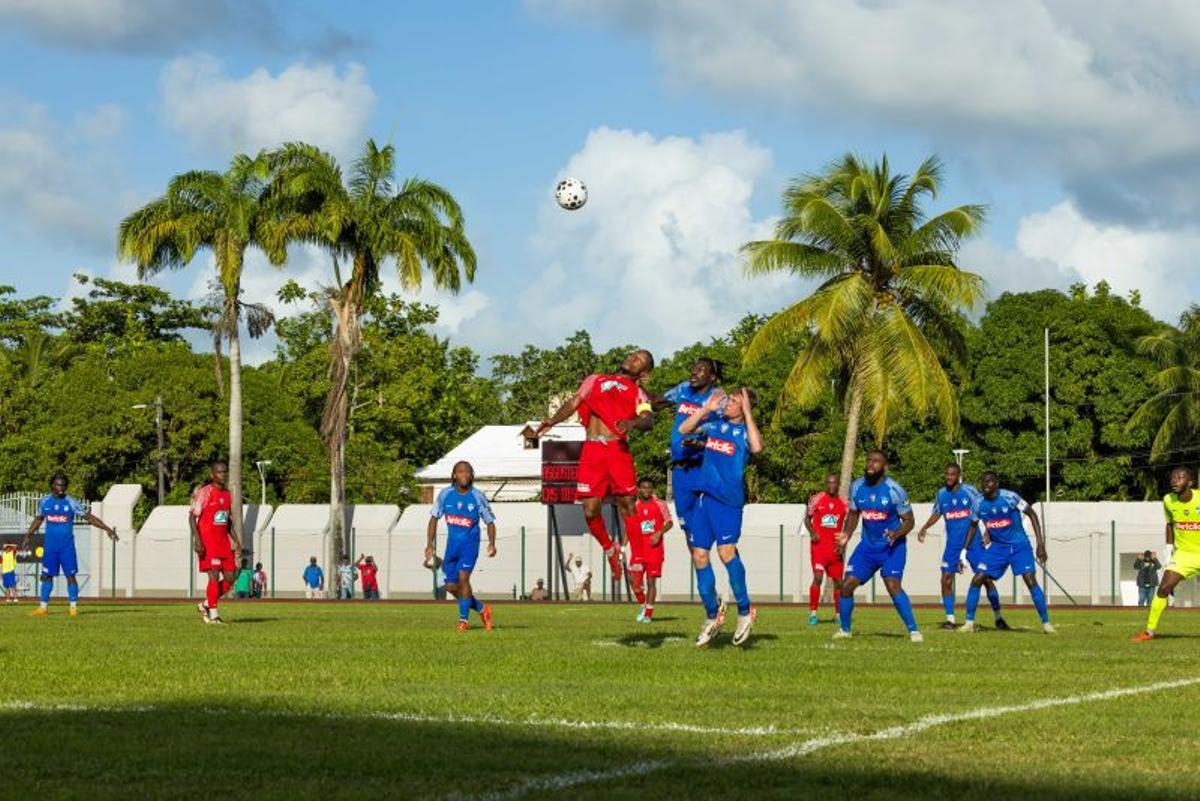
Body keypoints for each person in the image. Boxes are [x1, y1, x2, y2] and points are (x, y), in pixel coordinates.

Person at [527, 349, 656, 581]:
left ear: (643, 373)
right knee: (590, 510)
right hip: (592, 451)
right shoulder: (595, 379)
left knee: (628, 505)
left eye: (639, 360)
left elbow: (648, 419)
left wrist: (633, 421)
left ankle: (637, 562)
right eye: (632, 355)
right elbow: (574, 402)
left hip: (617, 450)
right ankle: (610, 549)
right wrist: (552, 421)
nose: (631, 358)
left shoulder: (639, 392)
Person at [679, 387, 762, 648]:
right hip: (704, 499)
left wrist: (748, 413)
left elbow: (757, 448)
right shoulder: (715, 424)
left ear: (744, 407)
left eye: (734, 402)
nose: (727, 404)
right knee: (699, 555)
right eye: (728, 400)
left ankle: (746, 611)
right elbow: (684, 430)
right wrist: (706, 408)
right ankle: (712, 616)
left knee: (727, 553)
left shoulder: (744, 432)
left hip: (728, 502)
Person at [834, 451, 922, 642]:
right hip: (868, 547)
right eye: (868, 460)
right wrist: (846, 535)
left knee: (892, 584)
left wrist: (896, 534)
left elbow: (909, 521)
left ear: (884, 467)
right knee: (847, 586)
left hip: (892, 547)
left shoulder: (894, 490)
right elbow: (854, 514)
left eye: (876, 461)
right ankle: (845, 630)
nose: (870, 464)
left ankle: (914, 630)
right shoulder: (856, 487)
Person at [916, 463, 1007, 630]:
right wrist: (924, 527)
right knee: (946, 579)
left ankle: (999, 617)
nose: (949, 477)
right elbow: (937, 513)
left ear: (958, 475)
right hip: (953, 546)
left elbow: (984, 509)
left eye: (952, 474)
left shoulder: (970, 491)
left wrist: (988, 531)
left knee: (985, 578)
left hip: (974, 544)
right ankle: (950, 620)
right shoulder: (941, 494)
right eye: (947, 474)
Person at [960, 471, 1053, 634]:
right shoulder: (977, 504)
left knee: (1030, 581)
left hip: (1019, 545)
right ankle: (969, 623)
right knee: (978, 578)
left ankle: (1046, 624)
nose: (986, 484)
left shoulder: (1010, 497)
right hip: (998, 547)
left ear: (996, 483)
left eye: (989, 481)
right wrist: (963, 550)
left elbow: (1032, 514)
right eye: (983, 482)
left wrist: (1040, 543)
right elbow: (973, 526)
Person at [23, 473, 118, 617]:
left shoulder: (71, 502)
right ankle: (43, 608)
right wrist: (28, 535)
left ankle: (73, 608)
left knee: (70, 576)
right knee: (47, 576)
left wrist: (107, 529)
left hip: (66, 548)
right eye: (58, 484)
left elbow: (89, 517)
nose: (61, 488)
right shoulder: (45, 502)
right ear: (52, 486)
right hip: (50, 547)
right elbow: (38, 519)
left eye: (63, 485)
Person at [425, 460, 497, 631]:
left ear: (471, 475)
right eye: (460, 472)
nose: (464, 475)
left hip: (470, 545)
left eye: (467, 472)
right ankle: (481, 608)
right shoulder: (445, 495)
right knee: (451, 586)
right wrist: (429, 544)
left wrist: (492, 543)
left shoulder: (477, 496)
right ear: (454, 475)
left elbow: (490, 522)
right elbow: (434, 519)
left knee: (464, 578)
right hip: (452, 547)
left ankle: (463, 621)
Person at [658, 357, 722, 548]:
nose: (694, 372)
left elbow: (725, 430)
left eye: (700, 370)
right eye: (693, 368)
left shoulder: (718, 398)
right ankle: (701, 572)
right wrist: (638, 395)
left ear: (712, 376)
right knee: (688, 529)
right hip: (681, 471)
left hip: (704, 468)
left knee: (715, 524)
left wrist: (702, 444)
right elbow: (657, 402)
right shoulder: (683, 389)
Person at [1134, 467, 1200, 641]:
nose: (1174, 480)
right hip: (1184, 555)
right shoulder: (1168, 500)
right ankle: (1149, 632)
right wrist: (1168, 550)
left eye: (1180, 477)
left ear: (1190, 482)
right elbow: (1169, 525)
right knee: (1163, 588)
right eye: (1173, 477)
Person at [190, 461, 241, 624]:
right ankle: (213, 615)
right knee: (213, 576)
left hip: (223, 543)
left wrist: (236, 539)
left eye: (225, 472)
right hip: (208, 542)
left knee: (231, 576)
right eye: (219, 472)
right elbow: (192, 517)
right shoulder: (205, 492)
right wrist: (197, 539)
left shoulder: (227, 494)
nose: (223, 475)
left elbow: (227, 521)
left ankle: (205, 604)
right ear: (212, 474)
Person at [804, 473, 847, 626]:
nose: (831, 485)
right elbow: (807, 519)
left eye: (834, 483)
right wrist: (812, 532)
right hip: (819, 547)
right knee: (818, 578)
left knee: (838, 583)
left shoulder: (844, 503)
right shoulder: (816, 499)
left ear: (838, 484)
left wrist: (842, 544)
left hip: (835, 549)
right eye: (828, 482)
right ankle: (813, 614)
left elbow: (847, 526)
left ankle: (838, 615)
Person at [629, 477, 673, 623]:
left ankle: (648, 614)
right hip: (638, 550)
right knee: (634, 581)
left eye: (649, 488)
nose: (646, 490)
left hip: (655, 549)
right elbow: (629, 528)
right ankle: (643, 605)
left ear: (652, 489)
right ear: (638, 489)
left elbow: (669, 522)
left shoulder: (660, 504)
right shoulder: (634, 506)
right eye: (643, 487)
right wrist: (622, 547)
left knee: (651, 582)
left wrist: (659, 533)